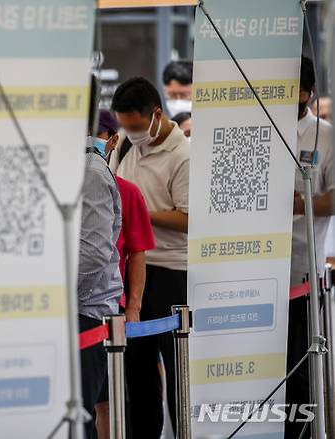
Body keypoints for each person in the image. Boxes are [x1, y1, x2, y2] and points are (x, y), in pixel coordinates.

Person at [109, 77, 190, 438]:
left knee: (175, 368)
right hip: (129, 268)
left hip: (171, 269)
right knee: (136, 369)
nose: (131, 132)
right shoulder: (125, 143)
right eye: (125, 125)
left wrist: (138, 211)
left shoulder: (183, 155)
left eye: (136, 126)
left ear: (156, 115)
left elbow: (189, 218)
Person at [94, 110, 156, 439]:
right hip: (69, 308)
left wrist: (133, 306)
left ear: (112, 140)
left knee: (107, 399)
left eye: (96, 138)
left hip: (108, 309)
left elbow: (137, 253)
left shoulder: (126, 193)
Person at [285, 56, 334, 439]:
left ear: (309, 93)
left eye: (297, 93)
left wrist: (301, 203)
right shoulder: (258, 129)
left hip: (304, 267)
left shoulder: (325, 135)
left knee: (300, 365)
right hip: (253, 266)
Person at [80, 80, 123, 439]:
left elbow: (93, 252)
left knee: (78, 414)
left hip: (84, 311)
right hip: (70, 309)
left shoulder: (90, 172)